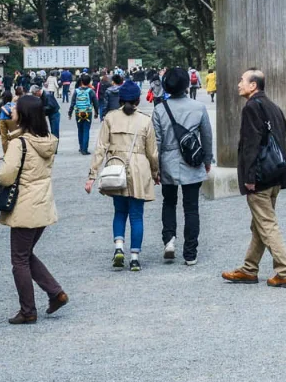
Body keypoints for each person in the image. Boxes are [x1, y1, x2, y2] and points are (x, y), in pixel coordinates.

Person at [0, 95, 68, 323]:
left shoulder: (20, 143)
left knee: (19, 259)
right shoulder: (48, 139)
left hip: (25, 206)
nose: (12, 111)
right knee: (25, 254)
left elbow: (6, 176)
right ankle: (56, 293)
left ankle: (28, 310)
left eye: (16, 108)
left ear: (23, 114)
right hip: (43, 203)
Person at [222, 69, 286, 287]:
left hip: (260, 177)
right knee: (259, 225)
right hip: (274, 175)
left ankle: (284, 272)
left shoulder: (252, 107)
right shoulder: (273, 106)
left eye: (242, 80)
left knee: (267, 224)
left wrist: (250, 177)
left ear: (253, 86)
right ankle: (249, 268)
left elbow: (251, 145)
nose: (238, 84)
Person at [85, 79, 159, 271]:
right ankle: (134, 258)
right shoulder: (145, 120)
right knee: (136, 215)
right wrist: (156, 172)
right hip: (139, 169)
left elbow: (100, 148)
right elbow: (152, 153)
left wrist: (92, 175)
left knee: (119, 211)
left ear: (120, 99)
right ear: (137, 100)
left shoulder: (110, 118)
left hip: (116, 167)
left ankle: (119, 247)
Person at [153, 65, 213, 265]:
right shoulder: (198, 107)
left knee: (169, 202)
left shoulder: (160, 109)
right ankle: (190, 253)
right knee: (191, 207)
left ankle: (169, 240)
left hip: (168, 161)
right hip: (192, 160)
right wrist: (207, 160)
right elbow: (206, 136)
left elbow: (157, 142)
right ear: (187, 85)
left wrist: (156, 168)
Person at [71, 77, 97, 154]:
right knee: (86, 130)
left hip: (78, 112)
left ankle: (81, 147)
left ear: (81, 81)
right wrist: (96, 112)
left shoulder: (76, 91)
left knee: (80, 129)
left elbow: (73, 102)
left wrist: (70, 113)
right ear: (89, 82)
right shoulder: (91, 91)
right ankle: (84, 149)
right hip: (87, 112)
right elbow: (95, 102)